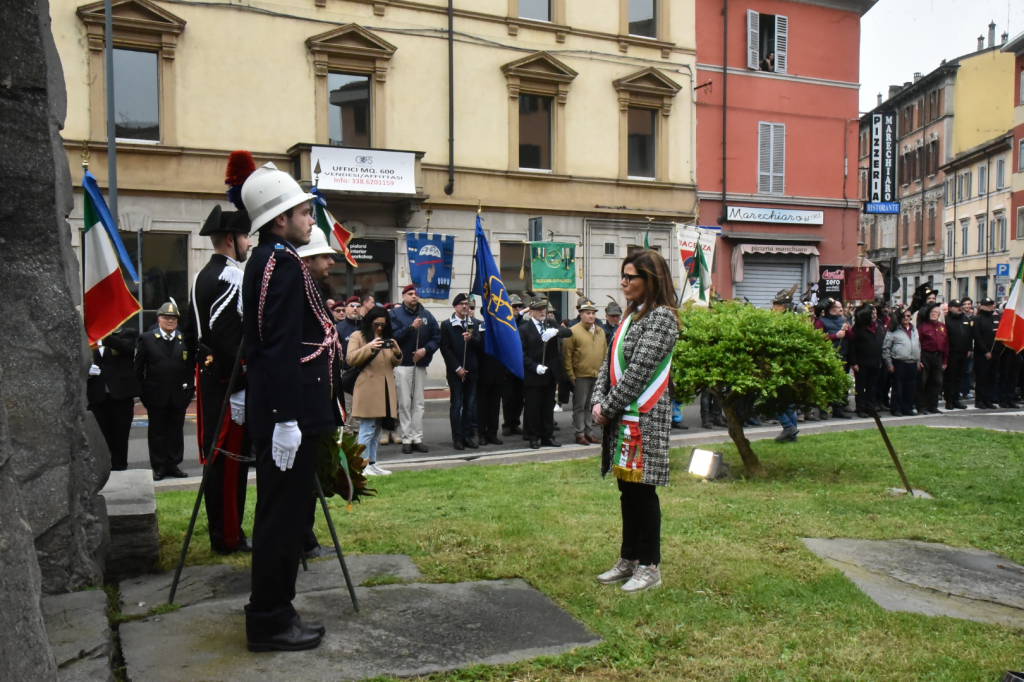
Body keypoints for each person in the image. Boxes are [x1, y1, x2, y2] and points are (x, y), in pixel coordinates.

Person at [241, 161, 341, 652]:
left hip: (294, 413)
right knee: (281, 520)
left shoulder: (278, 258)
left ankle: (278, 608)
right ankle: (269, 618)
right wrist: (284, 419)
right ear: (279, 220)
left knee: (285, 514)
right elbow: (275, 346)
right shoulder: (278, 263)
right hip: (291, 415)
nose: (310, 220)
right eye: (303, 212)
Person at [591, 249, 678, 593]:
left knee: (644, 493)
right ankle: (628, 558)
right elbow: (608, 365)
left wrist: (608, 407)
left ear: (650, 280)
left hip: (643, 418)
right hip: (622, 417)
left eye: (631, 277)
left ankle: (649, 565)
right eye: (623, 276)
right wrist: (599, 399)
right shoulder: (631, 317)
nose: (624, 283)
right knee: (627, 492)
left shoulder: (662, 318)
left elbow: (640, 372)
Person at [184, 203, 252, 554]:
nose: (249, 243)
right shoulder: (231, 276)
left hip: (211, 378)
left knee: (219, 458)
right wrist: (242, 381)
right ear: (230, 239)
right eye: (245, 236)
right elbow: (228, 336)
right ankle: (228, 536)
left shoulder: (203, 274)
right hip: (229, 383)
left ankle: (223, 533)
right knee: (229, 462)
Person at [135, 301, 194, 480]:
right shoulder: (147, 339)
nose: (170, 321)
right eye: (166, 317)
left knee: (176, 431)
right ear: (159, 318)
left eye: (173, 318)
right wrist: (143, 393)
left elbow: (190, 368)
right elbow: (138, 369)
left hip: (178, 395)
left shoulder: (184, 339)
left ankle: (173, 464)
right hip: (155, 394)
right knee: (157, 432)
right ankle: (159, 466)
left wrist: (189, 391)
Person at [347, 307, 402, 475]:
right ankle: (361, 465)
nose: (379, 328)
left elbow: (393, 362)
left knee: (377, 429)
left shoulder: (387, 338)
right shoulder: (358, 336)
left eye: (383, 325)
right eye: (377, 324)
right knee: (367, 428)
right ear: (370, 322)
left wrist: (397, 352)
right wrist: (370, 346)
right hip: (368, 389)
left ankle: (372, 462)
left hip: (385, 389)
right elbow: (351, 359)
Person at [390, 284, 439, 454]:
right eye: (410, 294)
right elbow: (393, 337)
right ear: (404, 296)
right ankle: (406, 438)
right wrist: (411, 327)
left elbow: (437, 336)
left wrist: (425, 350)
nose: (414, 296)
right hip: (403, 365)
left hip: (420, 364)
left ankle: (417, 437)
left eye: (416, 294)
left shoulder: (426, 314)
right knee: (404, 403)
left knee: (418, 404)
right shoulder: (395, 314)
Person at [519, 296, 572, 448]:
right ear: (531, 312)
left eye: (544, 309)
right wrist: (534, 366)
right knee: (533, 408)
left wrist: (555, 331)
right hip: (534, 374)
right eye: (538, 309)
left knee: (548, 407)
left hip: (550, 374)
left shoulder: (550, 323)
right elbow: (521, 354)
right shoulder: (524, 329)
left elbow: (568, 332)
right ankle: (534, 437)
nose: (542, 312)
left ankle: (547, 436)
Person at [86, 327, 140, 471]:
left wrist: (102, 334)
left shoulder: (127, 333)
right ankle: (100, 468)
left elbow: (127, 348)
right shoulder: (87, 336)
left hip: (120, 395)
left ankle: (120, 466)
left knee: (120, 435)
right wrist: (85, 369)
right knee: (99, 435)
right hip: (97, 395)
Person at [439, 293, 482, 450]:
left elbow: (480, 346)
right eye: (461, 304)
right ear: (455, 306)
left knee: (469, 405)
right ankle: (457, 438)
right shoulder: (447, 325)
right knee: (457, 405)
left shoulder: (473, 323)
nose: (465, 306)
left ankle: (467, 435)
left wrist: (472, 339)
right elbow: (445, 349)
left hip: (472, 370)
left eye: (466, 303)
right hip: (456, 372)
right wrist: (457, 368)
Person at [562, 298, 607, 445]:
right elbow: (567, 356)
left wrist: (604, 374)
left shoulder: (601, 332)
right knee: (579, 406)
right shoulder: (573, 332)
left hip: (597, 375)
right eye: (588, 313)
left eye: (593, 313)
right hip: (580, 376)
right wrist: (571, 375)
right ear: (580, 314)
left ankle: (589, 432)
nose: (591, 316)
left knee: (592, 406)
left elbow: (605, 353)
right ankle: (579, 433)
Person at [814, 298, 852, 418]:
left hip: (843, 356)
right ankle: (823, 409)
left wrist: (848, 330)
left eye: (840, 307)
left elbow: (851, 337)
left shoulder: (843, 320)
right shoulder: (821, 321)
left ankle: (839, 408)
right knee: (827, 383)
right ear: (830, 309)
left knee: (841, 383)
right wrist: (835, 336)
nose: (839, 309)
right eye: (836, 307)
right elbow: (818, 338)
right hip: (829, 356)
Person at [848, 303, 886, 417]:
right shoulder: (858, 328)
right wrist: (853, 362)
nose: (874, 315)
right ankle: (860, 408)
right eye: (872, 313)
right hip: (861, 363)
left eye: (875, 312)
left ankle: (871, 407)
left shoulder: (879, 325)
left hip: (875, 361)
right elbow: (852, 346)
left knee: (872, 387)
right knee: (861, 386)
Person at [882, 308, 921, 417]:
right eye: (904, 316)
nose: (906, 318)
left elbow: (918, 346)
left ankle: (907, 408)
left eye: (908, 316)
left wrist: (918, 361)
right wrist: (889, 364)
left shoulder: (914, 329)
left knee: (910, 388)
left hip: (912, 362)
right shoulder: (893, 330)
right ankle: (896, 409)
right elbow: (886, 348)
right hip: (899, 362)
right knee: (898, 388)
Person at [501, 294, 527, 436]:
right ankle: (507, 424)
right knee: (508, 398)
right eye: (514, 306)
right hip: (507, 367)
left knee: (519, 398)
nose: (517, 309)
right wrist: (516, 316)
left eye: (519, 306)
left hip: (521, 365)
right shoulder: (506, 321)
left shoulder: (524, 323)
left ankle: (515, 423)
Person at [915, 303, 948, 414]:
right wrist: (918, 360)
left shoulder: (942, 327)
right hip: (925, 355)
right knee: (923, 382)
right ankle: (921, 407)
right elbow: (917, 344)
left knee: (937, 382)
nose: (934, 314)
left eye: (936, 313)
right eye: (932, 312)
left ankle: (932, 406)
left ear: (939, 314)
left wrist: (945, 361)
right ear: (929, 314)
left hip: (938, 357)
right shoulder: (922, 326)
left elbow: (946, 344)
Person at [943, 299, 972, 409]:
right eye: (956, 306)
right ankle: (949, 400)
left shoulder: (965, 319)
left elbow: (969, 334)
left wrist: (969, 348)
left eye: (960, 306)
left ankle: (956, 400)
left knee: (959, 377)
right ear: (950, 308)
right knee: (950, 378)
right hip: (951, 353)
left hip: (963, 353)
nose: (959, 308)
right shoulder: (946, 320)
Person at [972, 297, 998, 408]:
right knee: (982, 378)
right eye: (988, 305)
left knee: (991, 378)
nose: (991, 307)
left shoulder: (994, 318)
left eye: (991, 305)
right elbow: (977, 337)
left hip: (994, 353)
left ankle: (988, 400)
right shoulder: (977, 319)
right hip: (982, 354)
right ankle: (980, 401)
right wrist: (985, 351)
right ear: (982, 306)